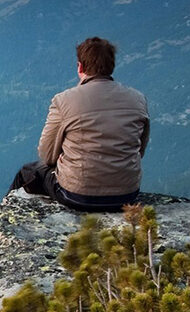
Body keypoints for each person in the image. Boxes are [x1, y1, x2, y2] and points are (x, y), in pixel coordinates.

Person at [11, 36, 149, 211]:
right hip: (127, 195)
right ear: (111, 66)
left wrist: (65, 159)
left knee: (28, 172)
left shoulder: (64, 100)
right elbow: (139, 149)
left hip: (78, 195)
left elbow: (47, 155)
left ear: (80, 66)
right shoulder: (138, 99)